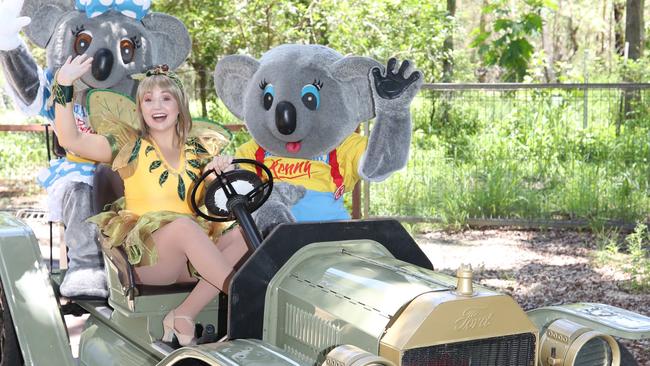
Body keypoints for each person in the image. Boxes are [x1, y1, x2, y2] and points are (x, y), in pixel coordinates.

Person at [53, 55, 249, 346]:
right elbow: (71, 140)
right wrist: (64, 85)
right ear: (140, 108)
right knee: (184, 227)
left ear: (179, 106)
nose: (157, 106)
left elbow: (219, 205)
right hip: (147, 260)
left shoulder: (198, 150)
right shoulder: (128, 146)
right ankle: (250, 303)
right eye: (148, 99)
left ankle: (184, 314)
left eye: (166, 98)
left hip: (189, 256)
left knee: (243, 236)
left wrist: (221, 174)